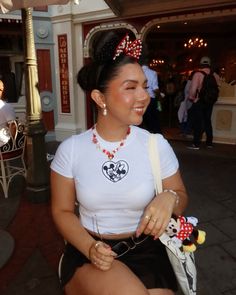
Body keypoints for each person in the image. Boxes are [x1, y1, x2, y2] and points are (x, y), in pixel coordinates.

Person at [50, 31, 188, 295]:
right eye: (130, 87)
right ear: (100, 98)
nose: (144, 96)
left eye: (144, 86)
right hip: (90, 250)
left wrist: (169, 197)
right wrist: (90, 247)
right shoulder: (71, 150)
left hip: (147, 250)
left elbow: (181, 196)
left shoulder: (155, 144)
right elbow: (62, 212)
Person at [187, 56, 220, 149]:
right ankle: (209, 143)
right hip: (210, 101)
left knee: (198, 122)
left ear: (201, 64)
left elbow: (193, 89)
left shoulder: (197, 74)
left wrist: (192, 98)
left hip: (199, 100)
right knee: (207, 121)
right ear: (209, 64)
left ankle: (196, 143)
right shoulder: (215, 75)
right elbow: (217, 88)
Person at [140, 54, 162, 133]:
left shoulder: (138, 72)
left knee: (140, 120)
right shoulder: (153, 73)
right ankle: (156, 137)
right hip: (150, 99)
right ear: (148, 63)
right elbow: (155, 88)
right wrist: (159, 97)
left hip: (139, 99)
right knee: (153, 121)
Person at [0, 79, 16, 147]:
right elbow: (13, 128)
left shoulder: (5, 106)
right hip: (5, 145)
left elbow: (13, 127)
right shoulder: (6, 106)